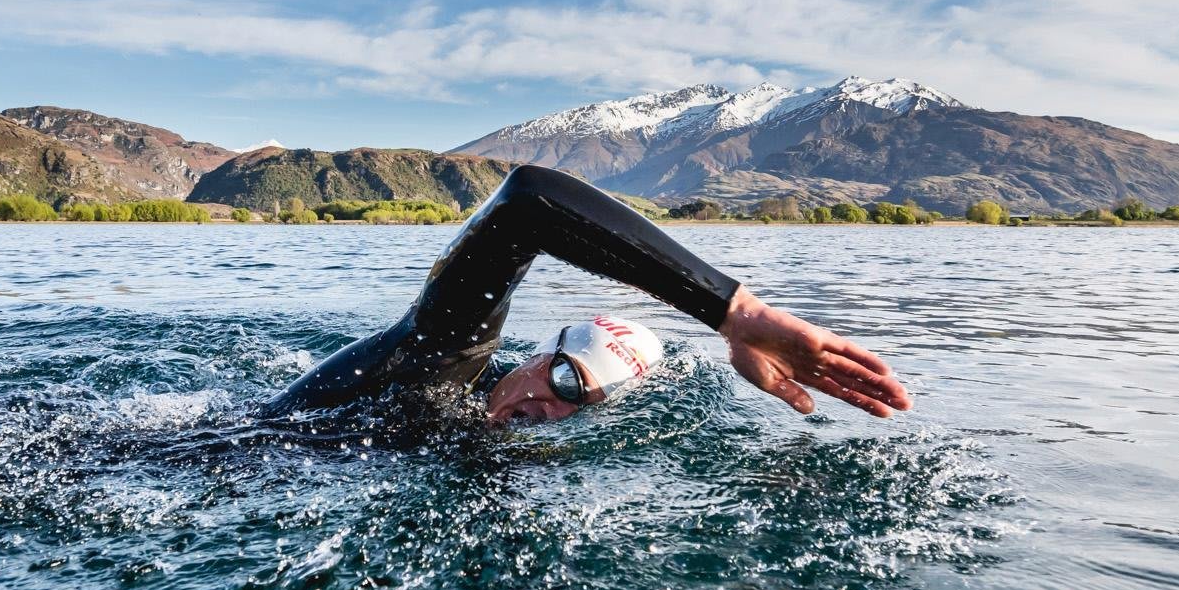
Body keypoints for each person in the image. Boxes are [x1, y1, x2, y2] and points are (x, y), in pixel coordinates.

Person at [263, 164, 911, 428]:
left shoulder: (485, 443)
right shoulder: (443, 357)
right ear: (541, 355)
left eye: (580, 406)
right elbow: (525, 204)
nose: (553, 407)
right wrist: (735, 312)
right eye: (567, 379)